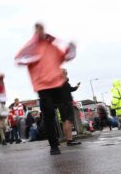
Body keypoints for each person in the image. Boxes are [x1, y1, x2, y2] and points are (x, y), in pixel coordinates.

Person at [15, 23, 76, 155]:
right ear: (35, 32)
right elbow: (19, 59)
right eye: (38, 30)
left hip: (58, 84)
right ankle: (54, 145)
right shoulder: (31, 47)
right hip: (43, 87)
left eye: (42, 29)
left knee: (67, 110)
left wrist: (71, 49)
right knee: (49, 116)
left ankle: (68, 138)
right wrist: (31, 58)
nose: (41, 32)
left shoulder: (51, 46)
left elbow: (63, 57)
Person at [59, 69, 81, 146]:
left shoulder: (57, 83)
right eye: (66, 73)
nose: (67, 74)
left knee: (65, 121)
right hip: (67, 103)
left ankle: (68, 139)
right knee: (69, 121)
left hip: (61, 104)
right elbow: (72, 89)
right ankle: (70, 140)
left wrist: (76, 86)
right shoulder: (64, 82)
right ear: (63, 74)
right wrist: (77, 86)